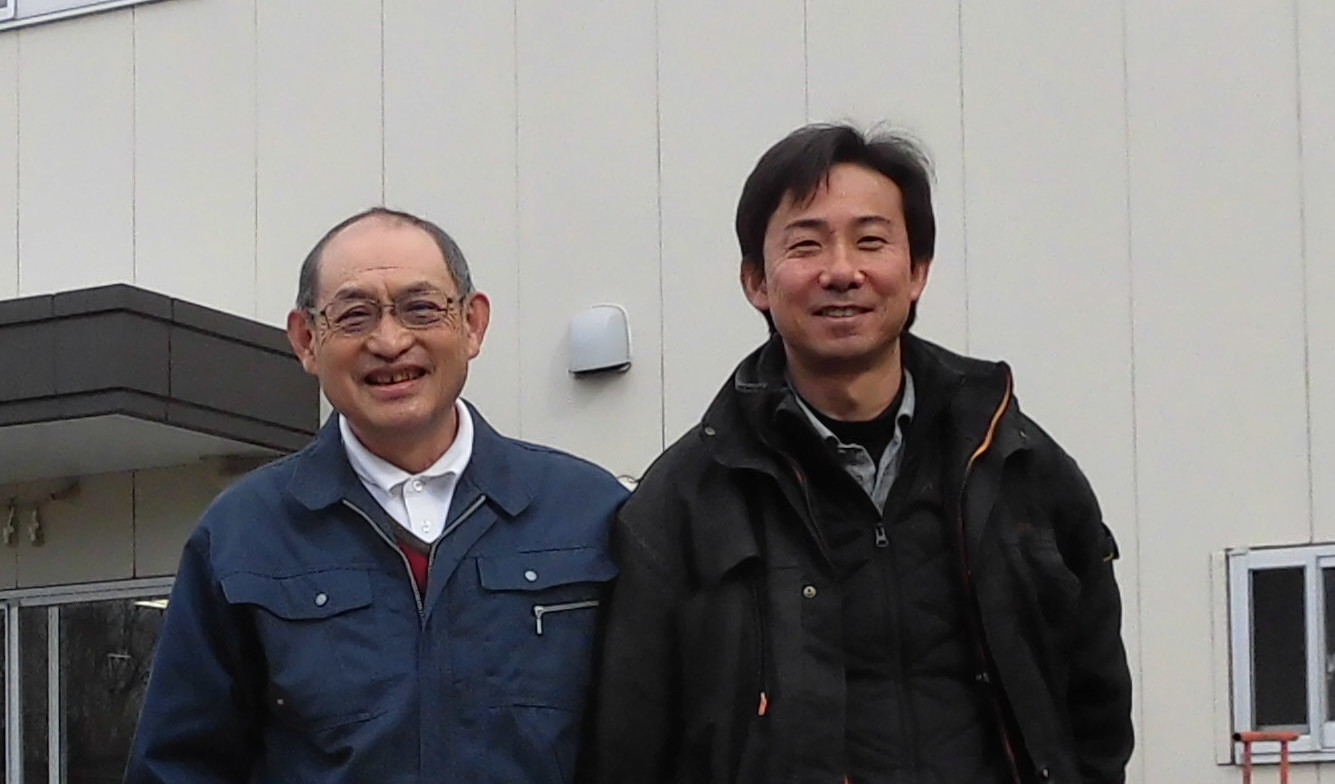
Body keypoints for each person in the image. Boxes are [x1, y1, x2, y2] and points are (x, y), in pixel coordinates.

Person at [592, 124, 1133, 784]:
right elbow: (630, 742)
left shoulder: (1019, 463)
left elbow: (1096, 701)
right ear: (756, 281)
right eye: (806, 245)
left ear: (917, 271)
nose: (842, 271)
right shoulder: (683, 502)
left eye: (871, 241)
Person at [126, 207, 626, 783]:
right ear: (306, 340)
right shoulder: (243, 536)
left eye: (421, 308)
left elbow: (654, 738)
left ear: (472, 324)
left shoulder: (587, 514)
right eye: (354, 315)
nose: (390, 342)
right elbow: (177, 768)